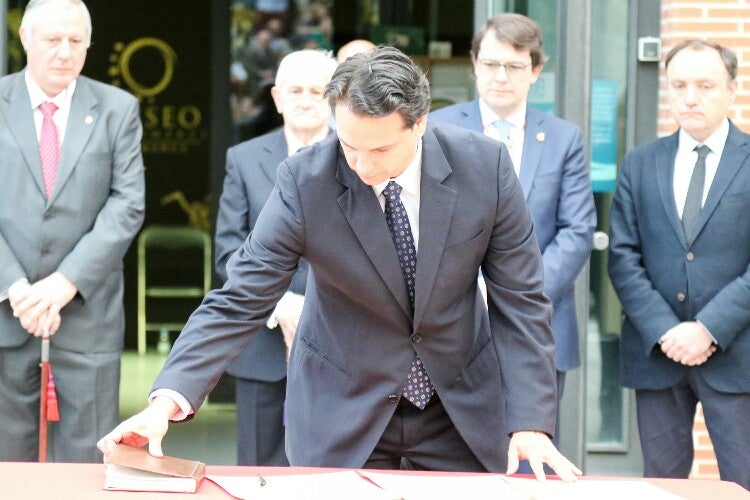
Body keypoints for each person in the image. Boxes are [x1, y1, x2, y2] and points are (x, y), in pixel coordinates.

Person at [98, 46, 580, 481]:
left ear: (420, 122)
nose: (363, 166)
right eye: (350, 145)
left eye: (380, 149)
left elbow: (520, 300)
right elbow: (241, 298)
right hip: (343, 409)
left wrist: (532, 421)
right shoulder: (305, 181)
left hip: (458, 408)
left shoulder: (486, 169)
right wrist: (167, 399)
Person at [430, 13, 596, 441]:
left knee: (530, 463)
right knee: (458, 463)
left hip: (540, 327)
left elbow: (577, 231)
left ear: (536, 71)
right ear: (474, 65)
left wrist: (520, 293)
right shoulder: (438, 129)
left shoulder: (564, 138)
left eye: (515, 66)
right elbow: (426, 223)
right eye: (490, 64)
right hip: (455, 327)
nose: (500, 76)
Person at [0, 0, 145, 462]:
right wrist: (16, 288)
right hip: (8, 309)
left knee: (88, 459)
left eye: (76, 41)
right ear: (25, 38)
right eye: (52, 40)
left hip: (87, 312)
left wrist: (63, 284)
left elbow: (127, 204)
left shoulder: (117, 108)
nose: (65, 52)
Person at [608, 39, 750, 490]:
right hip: (659, 354)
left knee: (743, 482)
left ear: (732, 89)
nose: (690, 96)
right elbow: (623, 257)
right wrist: (667, 331)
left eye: (705, 85)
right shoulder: (639, 164)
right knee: (662, 485)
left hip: (738, 352)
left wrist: (708, 328)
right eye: (680, 85)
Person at [215, 49, 337, 466]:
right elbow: (229, 252)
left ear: (336, 97)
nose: (306, 99)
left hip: (340, 348)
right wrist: (281, 303)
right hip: (262, 349)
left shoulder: (358, 157)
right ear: (277, 97)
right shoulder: (244, 159)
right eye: (296, 90)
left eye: (318, 91)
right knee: (257, 473)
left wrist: (314, 304)